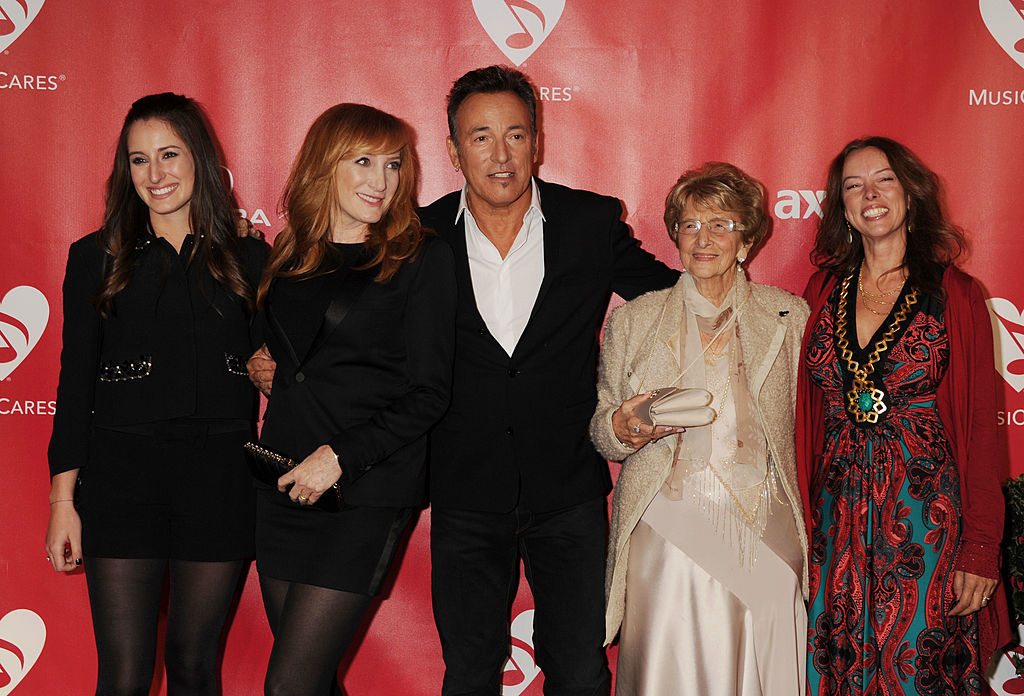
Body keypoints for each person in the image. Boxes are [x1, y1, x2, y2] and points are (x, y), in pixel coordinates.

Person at [419, 65, 679, 695]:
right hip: (463, 488)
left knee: (580, 671)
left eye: (516, 134)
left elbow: (670, 303)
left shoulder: (588, 222)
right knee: (469, 674)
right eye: (480, 137)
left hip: (569, 491)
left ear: (538, 142)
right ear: (453, 150)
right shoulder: (417, 236)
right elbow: (359, 327)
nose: (500, 154)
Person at [44, 92, 268, 696]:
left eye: (169, 154)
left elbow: (289, 362)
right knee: (123, 676)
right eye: (139, 159)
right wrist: (63, 500)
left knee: (195, 667)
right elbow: (73, 383)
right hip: (121, 478)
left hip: (220, 478)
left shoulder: (250, 256)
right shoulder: (95, 257)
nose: (155, 174)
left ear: (199, 157)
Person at [250, 103, 456, 696]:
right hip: (282, 483)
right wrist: (259, 361)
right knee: (311, 683)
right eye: (363, 161)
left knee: (288, 687)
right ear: (325, 166)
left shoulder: (420, 256)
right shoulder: (290, 253)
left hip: (363, 489)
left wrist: (337, 455)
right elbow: (287, 352)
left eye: (393, 164)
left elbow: (429, 393)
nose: (381, 180)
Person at [797, 136, 1009, 695]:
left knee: (919, 673)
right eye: (852, 185)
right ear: (841, 207)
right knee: (832, 670)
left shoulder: (955, 294)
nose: (870, 194)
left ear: (910, 192)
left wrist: (981, 550)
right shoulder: (822, 290)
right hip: (834, 525)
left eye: (883, 179)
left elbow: (983, 431)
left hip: (926, 526)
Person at [591, 162, 809, 695]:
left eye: (721, 225)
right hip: (666, 522)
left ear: (747, 239)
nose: (703, 238)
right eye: (690, 225)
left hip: (765, 519)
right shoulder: (634, 319)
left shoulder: (789, 316)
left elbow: (814, 428)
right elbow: (603, 430)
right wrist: (628, 424)